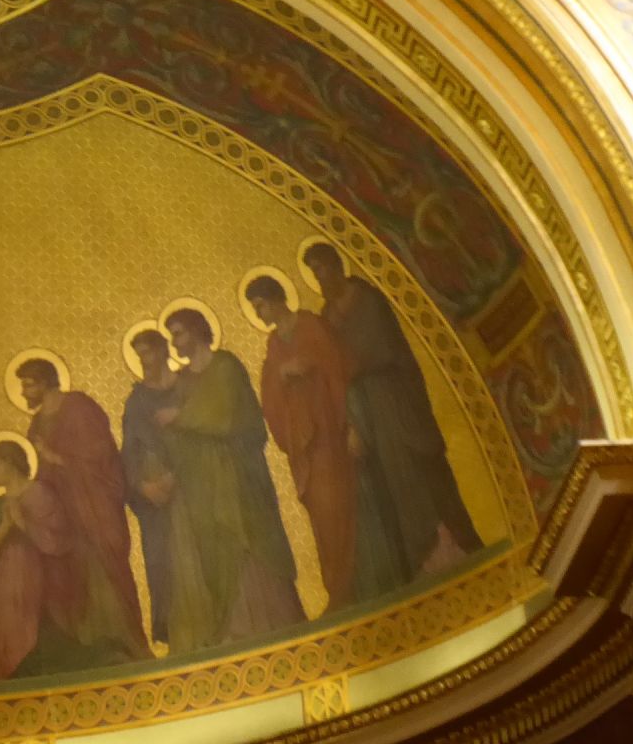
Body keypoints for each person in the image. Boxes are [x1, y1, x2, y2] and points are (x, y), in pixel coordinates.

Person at [303, 242, 480, 579]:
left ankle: (451, 547)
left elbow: (379, 348)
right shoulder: (326, 315)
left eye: (322, 267)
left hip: (394, 400)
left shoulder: (366, 299)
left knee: (415, 470)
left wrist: (338, 365)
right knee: (392, 484)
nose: (320, 276)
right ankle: (422, 562)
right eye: (313, 271)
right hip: (367, 411)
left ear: (336, 265)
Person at [247, 274, 407, 611]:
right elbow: (271, 396)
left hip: (335, 436)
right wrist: (280, 375)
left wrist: (352, 425)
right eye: (254, 309)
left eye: (260, 305)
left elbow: (341, 372)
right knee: (323, 515)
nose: (259, 313)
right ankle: (338, 590)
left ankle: (368, 585)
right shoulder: (275, 344)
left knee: (351, 505)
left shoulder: (310, 327)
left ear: (274, 299)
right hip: (308, 448)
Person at [157, 307, 304, 650]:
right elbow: (176, 438)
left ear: (197, 330)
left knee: (249, 543)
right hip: (200, 486)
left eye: (178, 333)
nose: (175, 342)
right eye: (172, 336)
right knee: (215, 551)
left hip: (239, 477)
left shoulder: (226, 366)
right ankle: (231, 629)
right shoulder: (181, 381)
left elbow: (228, 415)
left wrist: (180, 417)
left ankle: (274, 621)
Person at [16, 358, 150, 661]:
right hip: (64, 517)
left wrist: (56, 457)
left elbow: (101, 454)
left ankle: (125, 643)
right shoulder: (36, 424)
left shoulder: (78, 406)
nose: (24, 392)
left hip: (93, 509)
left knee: (104, 571)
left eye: (28, 384)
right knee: (72, 578)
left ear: (44, 382)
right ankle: (89, 647)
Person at [0, 438, 111, 680]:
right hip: (0, 587)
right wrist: (4, 527)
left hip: (37, 582)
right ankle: (8, 669)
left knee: (38, 632)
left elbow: (60, 538)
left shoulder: (39, 494)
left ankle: (28, 667)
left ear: (11, 463)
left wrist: (24, 524)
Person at [121, 330, 179, 647]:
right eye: (140, 354)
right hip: (153, 499)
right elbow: (128, 452)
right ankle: (171, 633)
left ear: (163, 350)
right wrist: (143, 486)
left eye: (149, 352)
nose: (145, 361)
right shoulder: (136, 401)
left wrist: (176, 476)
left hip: (189, 489)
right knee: (160, 561)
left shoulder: (185, 389)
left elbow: (199, 438)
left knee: (193, 559)